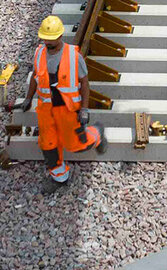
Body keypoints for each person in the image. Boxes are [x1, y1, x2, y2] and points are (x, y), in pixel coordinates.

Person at [7, 15, 104, 183]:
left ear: (60, 36)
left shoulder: (74, 56)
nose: (48, 42)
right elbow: (35, 77)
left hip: (67, 109)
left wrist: (84, 109)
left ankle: (97, 133)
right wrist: (28, 98)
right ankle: (60, 178)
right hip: (46, 110)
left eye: (51, 39)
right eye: (45, 39)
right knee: (48, 145)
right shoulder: (39, 53)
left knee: (75, 145)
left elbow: (85, 83)